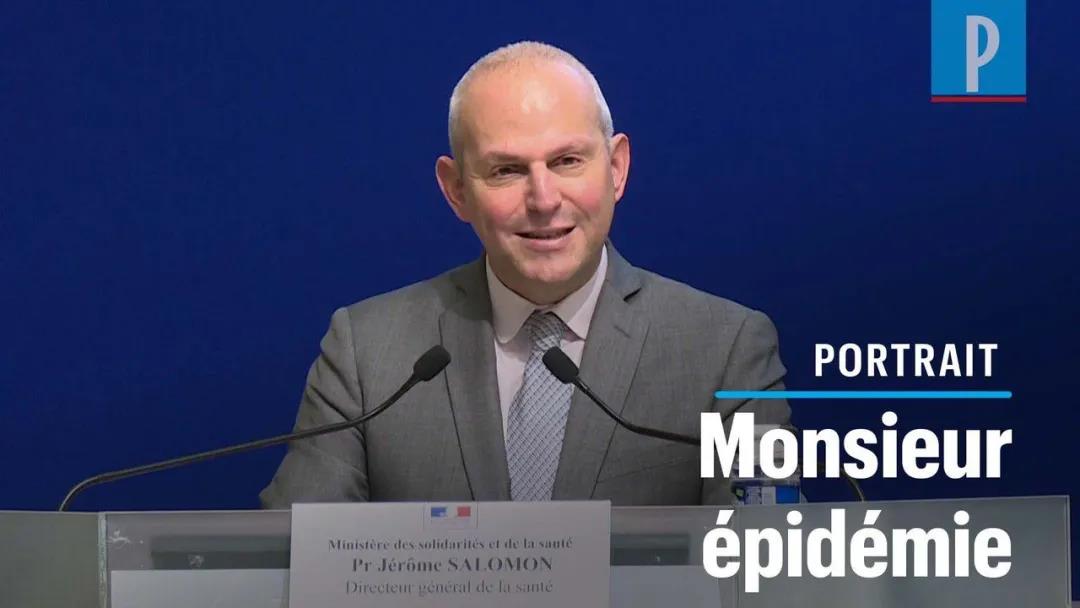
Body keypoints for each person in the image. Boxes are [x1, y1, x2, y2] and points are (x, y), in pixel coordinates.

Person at [260, 41, 790, 507]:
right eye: (507, 170)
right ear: (456, 191)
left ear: (616, 168)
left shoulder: (725, 351)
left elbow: (767, 562)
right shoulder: (368, 352)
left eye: (567, 161)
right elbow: (290, 557)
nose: (543, 199)